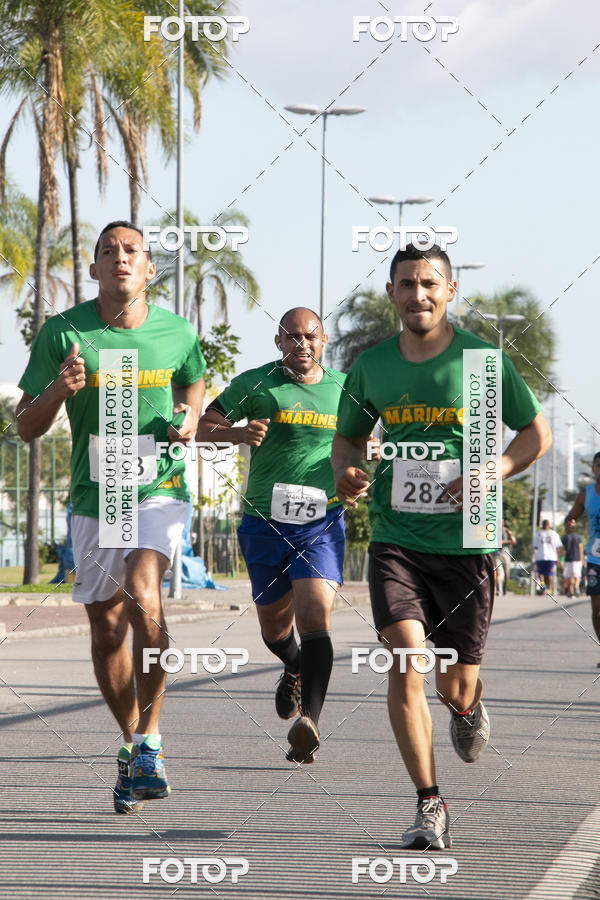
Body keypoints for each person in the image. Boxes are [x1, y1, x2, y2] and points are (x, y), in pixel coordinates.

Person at [331, 243, 551, 849]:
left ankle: (466, 705)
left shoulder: (483, 362)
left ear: (450, 291)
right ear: (391, 294)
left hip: (469, 543)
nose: (418, 294)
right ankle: (430, 802)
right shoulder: (371, 366)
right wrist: (346, 474)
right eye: (406, 284)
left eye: (430, 283)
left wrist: (498, 468)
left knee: (452, 683)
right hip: (396, 540)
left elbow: (537, 433)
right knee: (406, 660)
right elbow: (346, 444)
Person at [16, 221, 206, 813]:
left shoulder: (177, 332)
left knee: (146, 595)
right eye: (108, 252)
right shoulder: (64, 333)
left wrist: (192, 418)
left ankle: (150, 738)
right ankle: (131, 745)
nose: (120, 259)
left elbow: (196, 384)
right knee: (106, 628)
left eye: (132, 251)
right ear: (94, 269)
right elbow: (25, 425)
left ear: (150, 268)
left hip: (159, 488)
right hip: (98, 497)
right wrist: (59, 391)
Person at [196, 307, 351, 763]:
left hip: (321, 521)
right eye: (292, 337)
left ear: (324, 342)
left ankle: (310, 722)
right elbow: (205, 430)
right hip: (264, 521)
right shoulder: (255, 383)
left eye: (310, 336)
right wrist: (238, 433)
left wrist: (359, 473)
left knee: (315, 616)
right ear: (278, 342)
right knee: (273, 629)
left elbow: (365, 444)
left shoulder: (344, 388)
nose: (302, 344)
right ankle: (292, 666)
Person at [565, 451, 600, 664]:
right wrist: (570, 524)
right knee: (597, 612)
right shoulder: (585, 494)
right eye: (598, 465)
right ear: (594, 468)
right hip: (595, 560)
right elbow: (571, 517)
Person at [532, 520, 563, 595]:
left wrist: (558, 557)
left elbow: (558, 547)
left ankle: (548, 588)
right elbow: (535, 547)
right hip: (542, 557)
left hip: (549, 557)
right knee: (542, 574)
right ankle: (545, 588)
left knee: (547, 574)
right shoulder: (539, 534)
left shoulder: (552, 534)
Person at [561, 519, 584, 598]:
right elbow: (563, 550)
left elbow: (580, 549)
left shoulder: (576, 537)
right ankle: (573, 591)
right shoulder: (565, 537)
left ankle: (574, 590)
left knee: (574, 576)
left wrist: (582, 560)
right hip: (570, 560)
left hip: (574, 560)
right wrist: (562, 560)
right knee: (572, 577)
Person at [495, 519, 516, 595]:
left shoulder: (507, 531)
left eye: (501, 523)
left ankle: (505, 587)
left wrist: (507, 539)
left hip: (506, 554)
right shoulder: (495, 530)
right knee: (498, 572)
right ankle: (498, 589)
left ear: (503, 523)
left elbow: (513, 542)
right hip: (497, 554)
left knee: (507, 572)